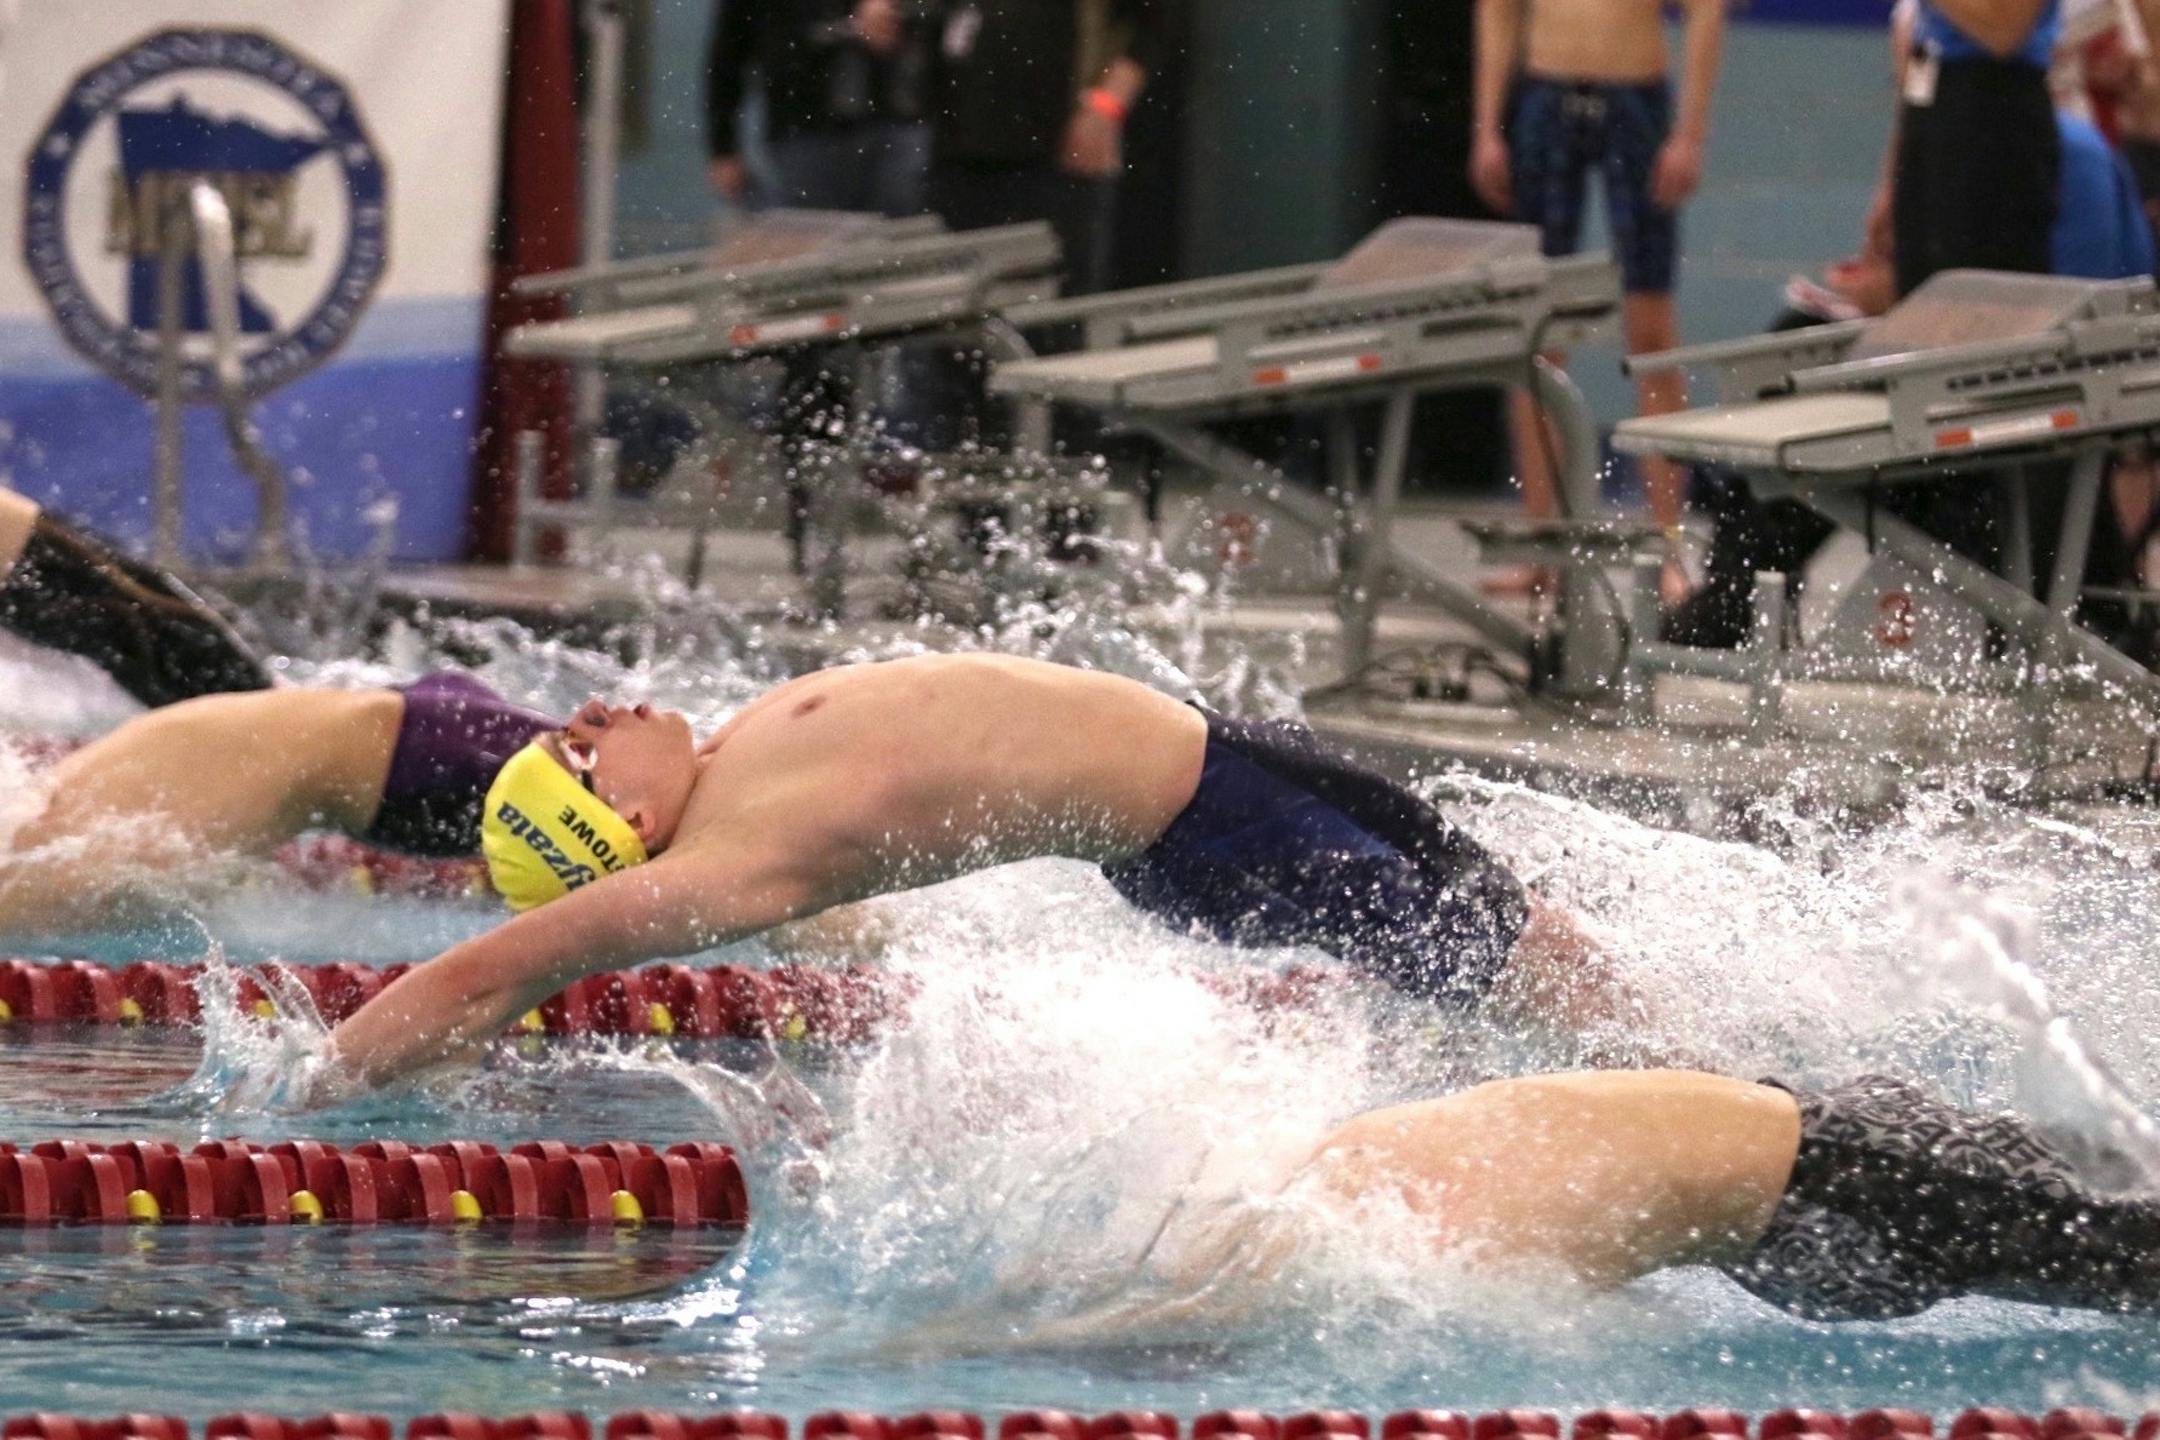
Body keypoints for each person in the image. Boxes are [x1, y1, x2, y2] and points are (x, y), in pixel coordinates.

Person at [315, 652, 1614, 1099]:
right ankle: (1698, 1093)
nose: (592, 711)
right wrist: (317, 1091)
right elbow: (493, 969)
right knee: (1525, 985)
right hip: (1219, 826)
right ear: (625, 822)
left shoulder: (728, 775)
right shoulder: (728, 856)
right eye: (581, 748)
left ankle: (1682, 1057)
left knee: (1535, 948)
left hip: (1220, 759)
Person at [1091, 1069, 2160, 1331]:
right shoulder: (1343, 1177)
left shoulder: (1354, 1215)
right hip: (1793, 1192)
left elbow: (1167, 1327)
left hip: (1852, 1168)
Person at [1470, 0, 1728, 602]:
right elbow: (1499, 10)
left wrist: (1689, 132)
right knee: (1535, 337)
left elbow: (1706, 13)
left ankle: (1667, 547)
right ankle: (1544, 548)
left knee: (1651, 332)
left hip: (1634, 94)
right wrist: (1486, 126)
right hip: (1543, 91)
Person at [925, 0, 1161, 297]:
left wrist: (1105, 107)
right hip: (959, 141)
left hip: (1055, 147)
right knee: (953, 307)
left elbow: (1155, 24)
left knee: (1054, 308)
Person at [0, 489, 270, 708]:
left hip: (25, 549)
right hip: (23, 554)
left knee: (146, 621)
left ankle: (269, 715)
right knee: (138, 622)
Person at [1873, 0, 2062, 299]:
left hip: (1995, 106)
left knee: (1979, 294)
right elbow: (1920, 55)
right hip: (1933, 96)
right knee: (1919, 294)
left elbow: (2004, 33)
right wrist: (1891, 182)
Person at [705, 0, 934, 217]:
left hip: (893, 124)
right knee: (819, 236)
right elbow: (728, 58)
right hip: (805, 131)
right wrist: (722, 147)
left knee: (907, 240)